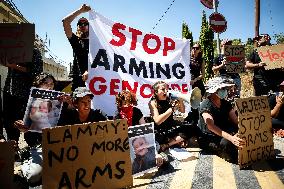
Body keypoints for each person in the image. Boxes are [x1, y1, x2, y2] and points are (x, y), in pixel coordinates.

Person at [198, 76, 245, 162]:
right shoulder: (205, 105)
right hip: (210, 137)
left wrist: (247, 129)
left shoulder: (226, 103)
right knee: (226, 143)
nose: (226, 91)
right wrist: (232, 138)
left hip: (225, 131)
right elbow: (211, 126)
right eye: (223, 89)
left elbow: (236, 120)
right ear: (215, 91)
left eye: (226, 89)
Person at [3, 48, 43, 143]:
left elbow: (37, 71)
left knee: (29, 129)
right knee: (10, 126)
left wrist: (14, 65)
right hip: (9, 92)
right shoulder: (10, 50)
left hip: (26, 95)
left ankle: (33, 150)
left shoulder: (34, 51)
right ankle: (13, 151)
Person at [149, 81, 188, 152]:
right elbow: (157, 121)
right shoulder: (153, 103)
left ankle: (167, 145)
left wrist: (181, 99)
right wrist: (171, 109)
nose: (166, 91)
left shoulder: (170, 99)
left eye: (167, 89)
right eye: (163, 89)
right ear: (156, 92)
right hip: (160, 131)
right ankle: (173, 142)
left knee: (190, 128)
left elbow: (182, 111)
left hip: (170, 127)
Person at [62, 4, 91, 91]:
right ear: (77, 27)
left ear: (89, 26)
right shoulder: (76, 40)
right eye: (80, 24)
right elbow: (65, 22)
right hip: (78, 82)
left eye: (85, 23)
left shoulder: (96, 42)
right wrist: (80, 10)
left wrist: (90, 71)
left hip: (95, 81)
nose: (83, 25)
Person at [188, 43, 205, 126]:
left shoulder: (201, 60)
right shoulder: (187, 58)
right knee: (189, 103)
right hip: (188, 84)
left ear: (199, 50)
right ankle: (193, 122)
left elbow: (203, 74)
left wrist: (194, 80)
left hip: (197, 83)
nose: (195, 49)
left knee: (197, 104)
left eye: (197, 48)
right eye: (193, 48)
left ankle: (198, 123)